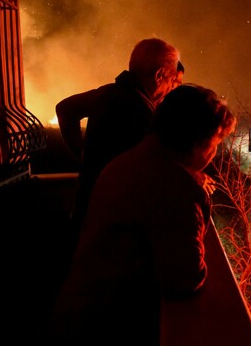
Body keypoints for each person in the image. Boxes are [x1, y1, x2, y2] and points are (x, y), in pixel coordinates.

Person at [49, 84, 237, 346]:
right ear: (200, 138)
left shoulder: (125, 162)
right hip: (111, 334)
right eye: (218, 140)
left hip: (77, 319)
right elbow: (184, 278)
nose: (215, 151)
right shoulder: (176, 188)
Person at [56, 37, 183, 237]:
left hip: (87, 205)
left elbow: (65, 108)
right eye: (172, 81)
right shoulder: (142, 113)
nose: (171, 89)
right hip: (114, 223)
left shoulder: (107, 93)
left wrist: (81, 151)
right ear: (159, 75)